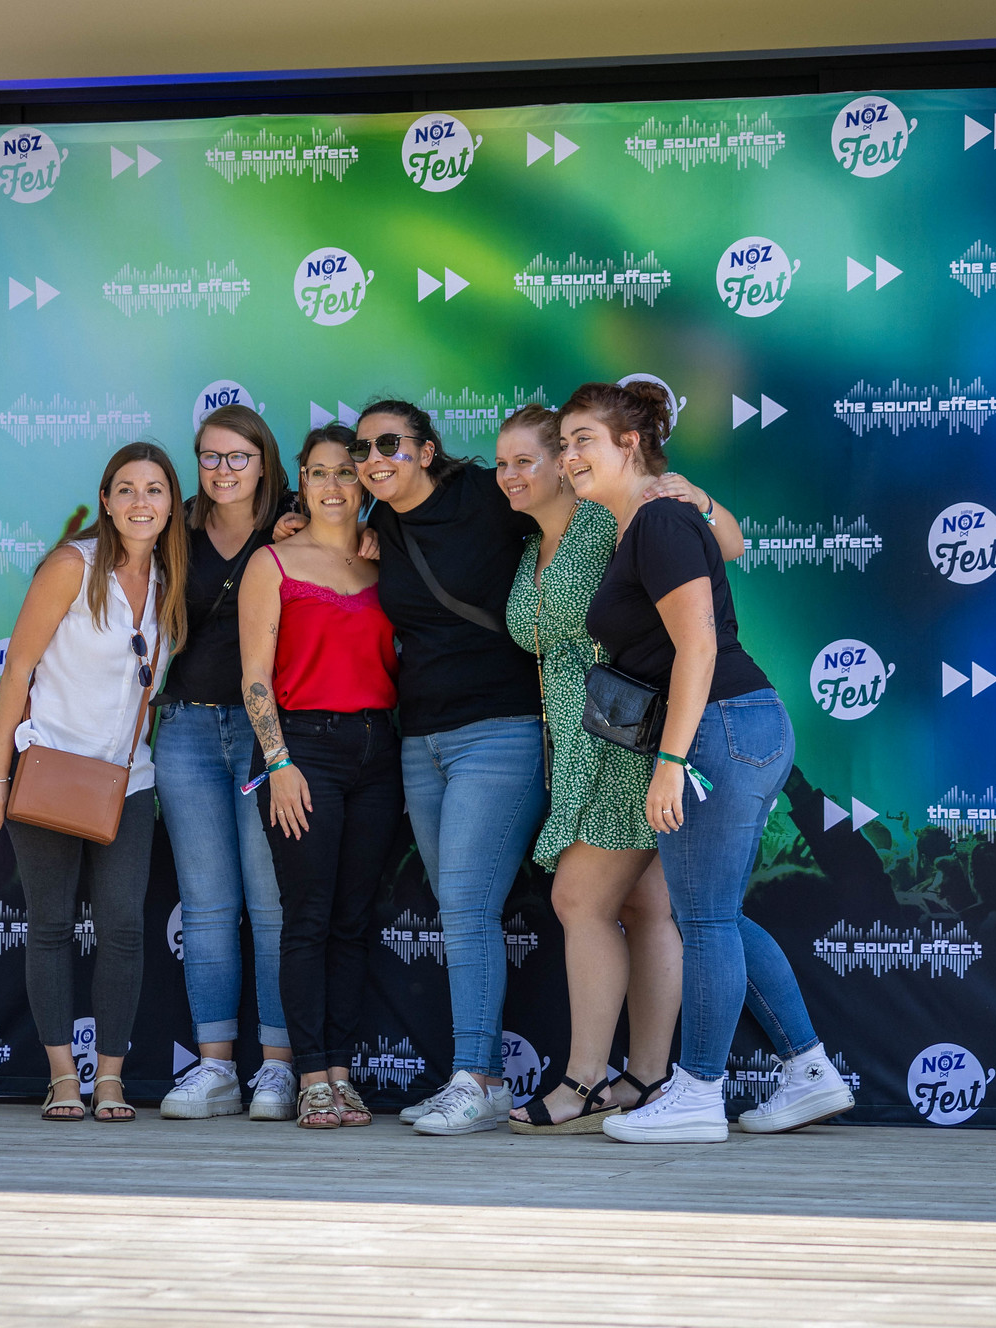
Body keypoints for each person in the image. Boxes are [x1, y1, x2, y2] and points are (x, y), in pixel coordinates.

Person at [561, 381, 855, 1143]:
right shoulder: (649, 520)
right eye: (562, 444)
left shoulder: (657, 519)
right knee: (714, 915)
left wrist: (670, 760)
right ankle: (809, 1071)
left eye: (582, 439)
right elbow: (732, 545)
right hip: (737, 726)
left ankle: (695, 1091)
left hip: (718, 728)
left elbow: (699, 646)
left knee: (704, 918)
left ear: (630, 443)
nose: (568, 457)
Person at [491, 403, 747, 1133]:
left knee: (579, 899)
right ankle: (644, 1076)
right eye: (502, 463)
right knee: (643, 906)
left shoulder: (610, 516)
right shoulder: (526, 550)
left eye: (532, 458)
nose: (514, 473)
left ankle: (581, 1079)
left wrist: (694, 493)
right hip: (583, 742)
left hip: (631, 737)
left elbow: (725, 541)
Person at [352, 399, 550, 1136]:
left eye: (391, 443)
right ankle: (475, 1074)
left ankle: (480, 1076)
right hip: (422, 741)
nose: (376, 457)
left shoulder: (486, 496)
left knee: (467, 906)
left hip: (501, 731)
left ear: (427, 450)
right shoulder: (382, 528)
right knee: (459, 912)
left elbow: (575, 521)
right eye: (364, 446)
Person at [0, 442, 187, 1123]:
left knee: (124, 926)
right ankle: (63, 1075)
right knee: (52, 925)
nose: (140, 502)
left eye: (154, 490)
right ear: (106, 499)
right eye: (126, 489)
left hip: (128, 780)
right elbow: (18, 670)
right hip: (51, 772)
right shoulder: (74, 564)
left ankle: (112, 1078)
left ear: (170, 503)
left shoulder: (169, 577)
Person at [238, 426, 401, 1130]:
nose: (334, 486)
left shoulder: (384, 562)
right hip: (303, 748)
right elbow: (254, 679)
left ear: (366, 481)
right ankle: (310, 1075)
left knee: (352, 921)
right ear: (300, 481)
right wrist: (279, 763)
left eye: (347, 472)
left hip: (379, 750)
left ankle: (341, 1070)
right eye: (319, 472)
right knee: (306, 917)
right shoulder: (272, 562)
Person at [153, 405, 299, 1123]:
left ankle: (277, 1066)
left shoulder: (295, 523)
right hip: (184, 726)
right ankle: (214, 1068)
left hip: (264, 729)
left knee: (271, 903)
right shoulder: (174, 528)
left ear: (264, 461)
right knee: (207, 903)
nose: (223, 471)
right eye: (210, 457)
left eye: (238, 457)